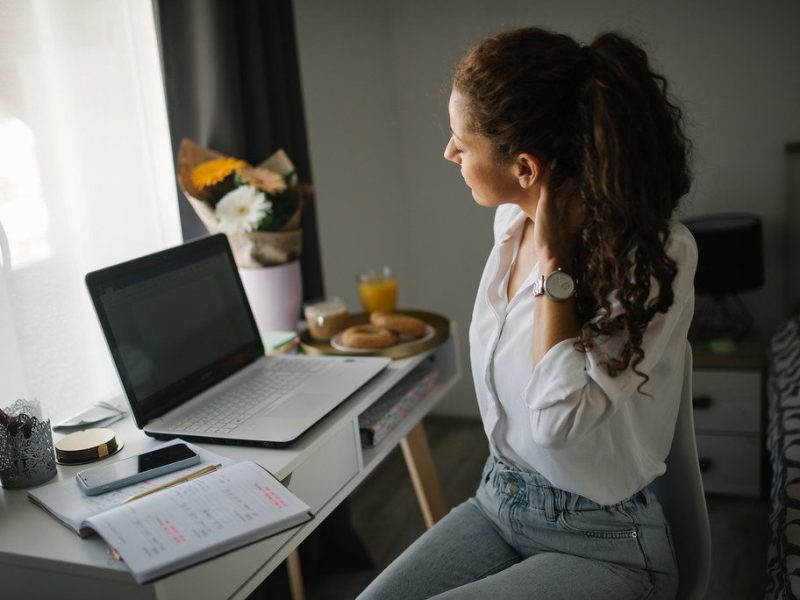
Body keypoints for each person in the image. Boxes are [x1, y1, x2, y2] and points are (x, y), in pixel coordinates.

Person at [358, 26, 696, 600]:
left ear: (524, 168)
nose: (449, 154)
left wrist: (556, 266)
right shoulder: (510, 225)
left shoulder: (652, 257)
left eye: (461, 142)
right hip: (499, 503)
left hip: (606, 544)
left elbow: (557, 425)